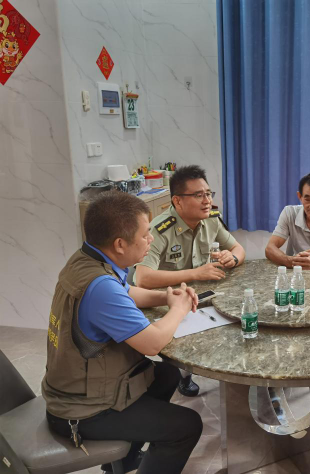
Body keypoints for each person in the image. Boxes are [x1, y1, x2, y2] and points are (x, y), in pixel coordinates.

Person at [41, 191, 203, 474]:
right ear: (119, 244)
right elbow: (152, 344)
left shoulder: (86, 260)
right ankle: (125, 457)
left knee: (167, 375)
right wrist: (179, 309)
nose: (150, 239)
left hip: (76, 389)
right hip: (81, 411)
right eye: (145, 234)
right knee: (187, 426)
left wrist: (166, 297)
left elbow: (126, 292)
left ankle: (123, 461)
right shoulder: (100, 287)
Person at [135, 164, 246, 397]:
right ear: (177, 201)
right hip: (168, 299)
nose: (207, 201)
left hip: (202, 292)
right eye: (198, 195)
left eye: (208, 193)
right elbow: (142, 278)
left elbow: (238, 248)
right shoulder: (160, 230)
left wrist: (232, 257)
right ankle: (184, 375)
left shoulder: (211, 220)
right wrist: (195, 273)